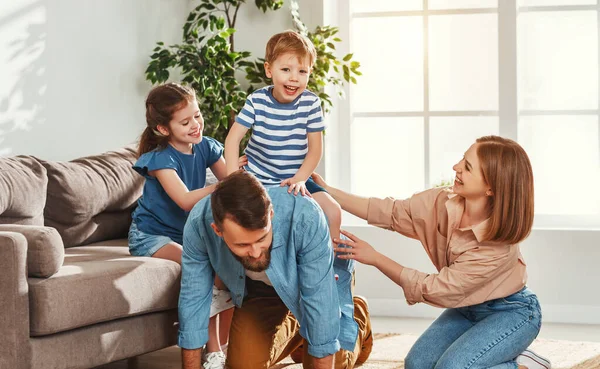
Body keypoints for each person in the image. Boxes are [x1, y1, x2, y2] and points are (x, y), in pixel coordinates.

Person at [311, 136, 552, 369]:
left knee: (451, 368)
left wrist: (376, 258)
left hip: (510, 311)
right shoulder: (443, 201)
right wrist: (328, 191)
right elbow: (390, 211)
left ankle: (522, 365)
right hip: (466, 308)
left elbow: (436, 290)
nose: (456, 167)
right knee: (417, 364)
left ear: (490, 187)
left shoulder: (496, 249)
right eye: (462, 159)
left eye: (467, 167)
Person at [178, 170, 373, 369]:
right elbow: (193, 299)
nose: (254, 253)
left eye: (262, 239)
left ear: (270, 215)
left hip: (318, 279)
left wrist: (320, 340)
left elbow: (320, 303)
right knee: (243, 366)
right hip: (259, 287)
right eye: (242, 245)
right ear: (217, 230)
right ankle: (300, 326)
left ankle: (356, 315)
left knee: (328, 358)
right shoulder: (198, 224)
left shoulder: (306, 216)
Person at [128, 83, 246, 369]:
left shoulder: (206, 146)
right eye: (185, 121)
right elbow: (184, 200)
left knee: (232, 269)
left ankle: (224, 346)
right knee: (203, 266)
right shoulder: (160, 159)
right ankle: (214, 350)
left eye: (197, 115)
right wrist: (225, 181)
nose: (196, 125)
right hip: (151, 236)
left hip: (188, 233)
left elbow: (232, 184)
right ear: (164, 129)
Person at [224, 30, 342, 248]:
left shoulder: (311, 104)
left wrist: (300, 178)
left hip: (296, 179)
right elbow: (232, 141)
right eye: (286, 69)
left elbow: (315, 150)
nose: (294, 77)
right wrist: (234, 181)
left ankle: (332, 264)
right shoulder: (256, 101)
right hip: (257, 178)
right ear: (269, 70)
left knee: (333, 211)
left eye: (302, 71)